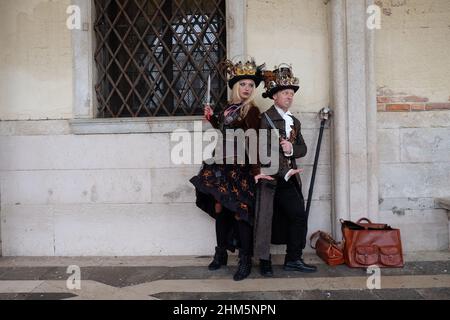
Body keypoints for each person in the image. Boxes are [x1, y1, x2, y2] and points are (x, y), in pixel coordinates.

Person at [190, 58, 268, 281]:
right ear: (236, 86)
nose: (247, 88)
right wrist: (213, 118)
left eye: (251, 85)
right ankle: (221, 253)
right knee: (219, 208)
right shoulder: (229, 107)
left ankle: (245, 261)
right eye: (243, 84)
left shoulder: (251, 111)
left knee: (240, 212)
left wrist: (256, 172)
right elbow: (225, 129)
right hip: (221, 164)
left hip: (240, 168)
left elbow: (251, 141)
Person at [254, 64, 318, 277]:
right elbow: (262, 152)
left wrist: (291, 149)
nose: (289, 97)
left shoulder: (295, 122)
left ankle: (293, 259)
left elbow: (303, 149)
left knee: (297, 216)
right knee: (267, 220)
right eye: (285, 93)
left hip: (290, 179)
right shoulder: (266, 119)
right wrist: (282, 172)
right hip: (271, 179)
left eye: (291, 93)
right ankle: (265, 261)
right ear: (275, 97)